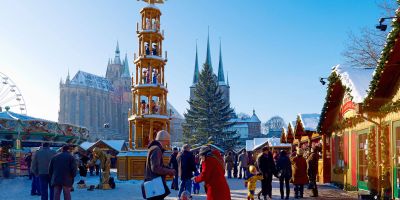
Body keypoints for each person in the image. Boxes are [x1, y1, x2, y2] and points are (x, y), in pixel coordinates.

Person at [144, 130, 176, 200]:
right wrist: (169, 171)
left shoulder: (153, 148)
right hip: (155, 185)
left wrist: (168, 169)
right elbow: (155, 168)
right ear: (164, 140)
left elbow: (157, 165)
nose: (168, 143)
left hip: (152, 183)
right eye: (167, 141)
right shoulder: (157, 149)